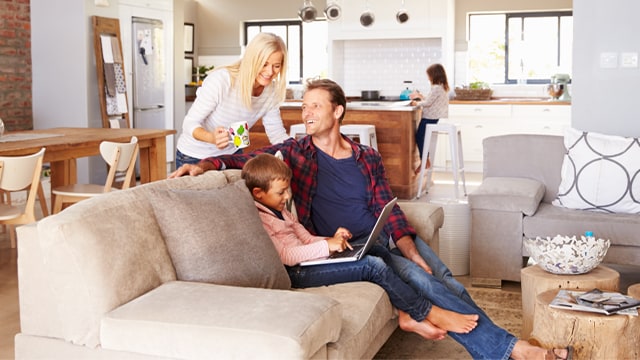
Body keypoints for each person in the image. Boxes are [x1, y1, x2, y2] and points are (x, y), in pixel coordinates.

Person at [170, 79, 573, 360]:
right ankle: (518, 351)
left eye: (314, 105)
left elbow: (389, 208)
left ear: (337, 111)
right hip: (345, 246)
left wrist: (411, 249)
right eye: (304, 105)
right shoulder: (296, 152)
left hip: (376, 236)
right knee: (421, 282)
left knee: (442, 277)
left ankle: (507, 350)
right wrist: (205, 162)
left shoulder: (367, 157)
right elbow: (248, 159)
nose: (305, 112)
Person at [240, 153, 479, 341]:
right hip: (297, 273)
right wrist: (326, 248)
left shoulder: (280, 210)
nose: (287, 196)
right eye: (281, 192)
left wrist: (330, 240)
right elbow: (287, 256)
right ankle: (424, 312)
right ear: (258, 194)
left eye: (287, 190)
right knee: (372, 266)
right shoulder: (261, 218)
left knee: (375, 249)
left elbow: (305, 238)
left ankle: (405, 314)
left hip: (311, 261)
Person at [175, 32, 290, 168]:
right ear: (252, 60)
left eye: (276, 66)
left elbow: (276, 132)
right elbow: (189, 123)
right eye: (264, 64)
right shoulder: (222, 80)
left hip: (232, 155)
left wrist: (297, 149)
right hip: (195, 156)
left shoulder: (271, 91)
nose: (270, 72)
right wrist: (211, 138)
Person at [410, 63, 450, 173]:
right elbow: (430, 100)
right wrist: (420, 97)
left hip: (430, 117)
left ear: (434, 75)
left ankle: (425, 160)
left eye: (429, 75)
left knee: (419, 136)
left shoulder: (436, 88)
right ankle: (425, 160)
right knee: (422, 137)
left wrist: (416, 103)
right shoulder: (441, 87)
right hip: (434, 117)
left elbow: (427, 103)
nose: (428, 77)